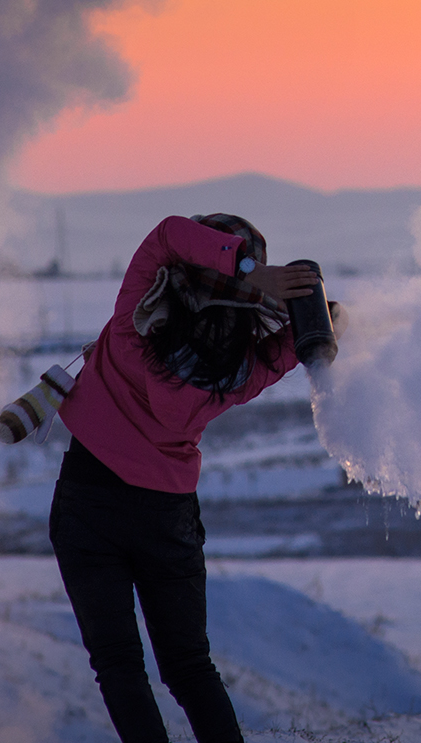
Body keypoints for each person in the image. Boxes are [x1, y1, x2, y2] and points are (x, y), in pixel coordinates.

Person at [52, 212, 346, 743]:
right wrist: (321, 317)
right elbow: (281, 353)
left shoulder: (129, 327)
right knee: (190, 667)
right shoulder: (236, 375)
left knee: (119, 666)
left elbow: (167, 235)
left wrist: (248, 270)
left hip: (87, 501)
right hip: (168, 519)